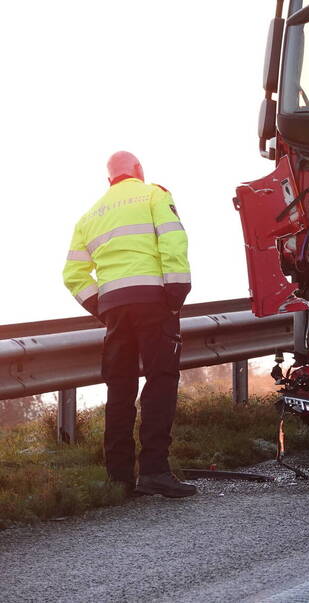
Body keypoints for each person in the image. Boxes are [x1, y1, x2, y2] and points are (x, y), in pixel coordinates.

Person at [62, 152, 195, 498]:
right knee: (160, 380)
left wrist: (102, 306)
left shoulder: (89, 216)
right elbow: (173, 239)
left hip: (115, 308)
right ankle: (155, 471)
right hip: (153, 300)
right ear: (138, 171)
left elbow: (72, 274)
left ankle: (118, 478)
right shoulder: (154, 194)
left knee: (119, 387)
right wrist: (176, 290)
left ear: (109, 180)